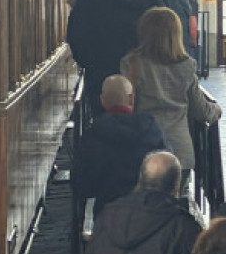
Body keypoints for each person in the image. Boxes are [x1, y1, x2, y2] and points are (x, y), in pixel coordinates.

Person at [121, 7, 221, 195]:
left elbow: (126, 105)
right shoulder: (186, 65)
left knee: (143, 203)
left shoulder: (131, 63)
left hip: (144, 147)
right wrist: (216, 110)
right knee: (173, 204)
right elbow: (200, 109)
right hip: (179, 151)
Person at [67, 0, 157, 117]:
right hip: (140, 68)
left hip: (101, 72)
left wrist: (89, 64)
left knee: (106, 119)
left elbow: (77, 35)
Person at [71, 74, 169, 218]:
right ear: (131, 98)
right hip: (148, 213)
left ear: (102, 101)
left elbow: (81, 185)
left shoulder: (93, 135)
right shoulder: (151, 129)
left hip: (108, 215)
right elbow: (166, 170)